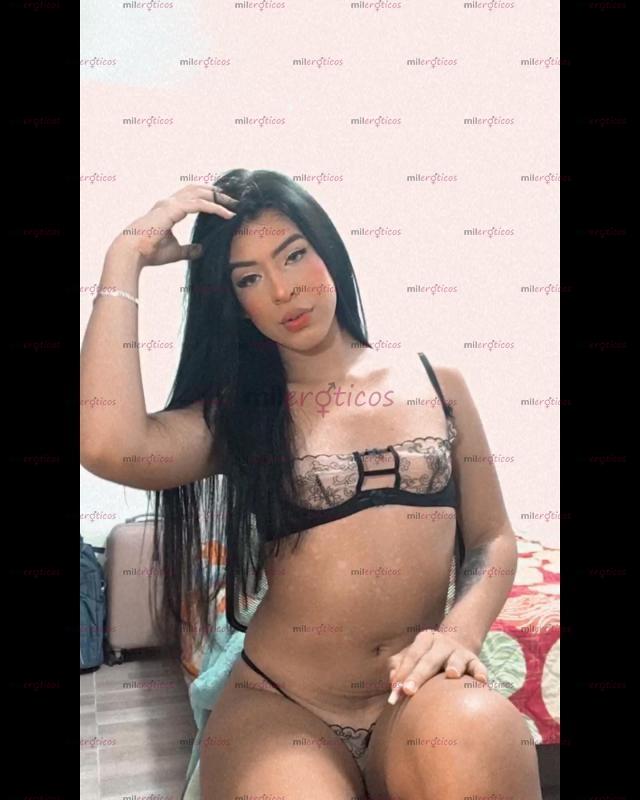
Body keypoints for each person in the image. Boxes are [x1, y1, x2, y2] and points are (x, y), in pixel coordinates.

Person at [80, 169, 543, 800]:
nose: (282, 291)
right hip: (284, 702)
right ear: (235, 303)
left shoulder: (438, 384)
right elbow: (108, 445)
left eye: (293, 255)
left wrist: (459, 634)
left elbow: (492, 539)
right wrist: (124, 258)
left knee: (482, 737)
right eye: (248, 278)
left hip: (412, 694)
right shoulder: (237, 416)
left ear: (328, 250)